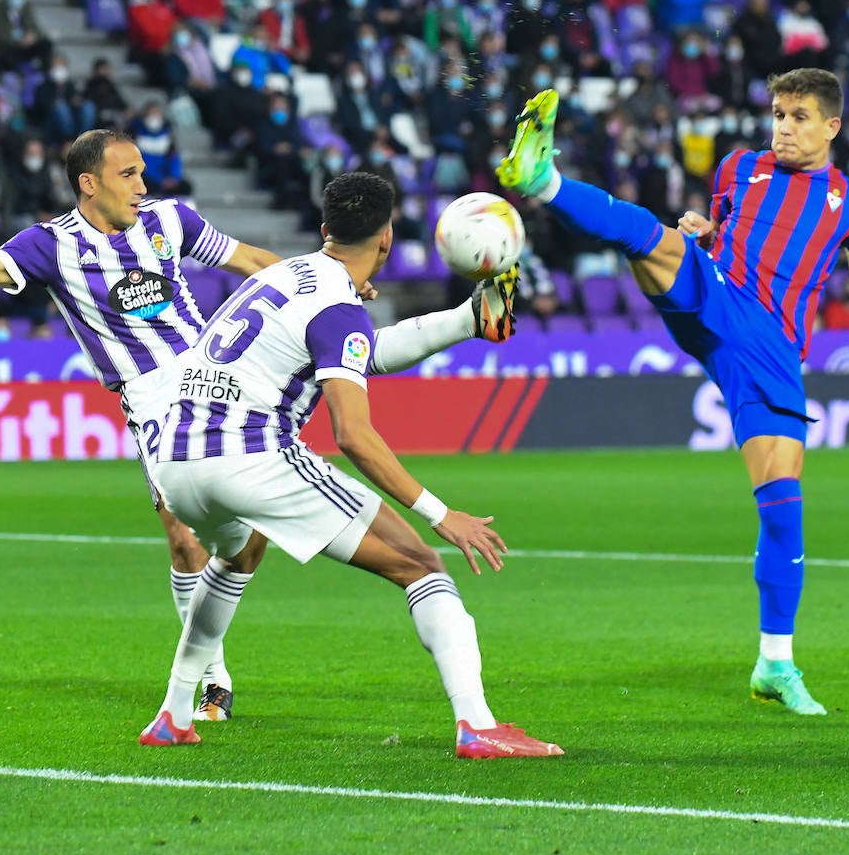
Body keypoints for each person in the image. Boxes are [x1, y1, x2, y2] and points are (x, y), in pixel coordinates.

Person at [0, 129, 521, 726]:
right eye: (127, 174)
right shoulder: (52, 245)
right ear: (89, 183)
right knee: (185, 532)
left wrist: (325, 283)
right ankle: (210, 675)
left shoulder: (169, 221)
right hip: (148, 398)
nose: (142, 184)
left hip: (212, 374)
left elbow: (250, 260)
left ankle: (187, 689)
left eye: (141, 172)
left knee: (250, 525)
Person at [495, 71, 849, 715]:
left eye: (798, 116)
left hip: (769, 348)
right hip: (715, 294)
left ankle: (775, 662)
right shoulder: (739, 167)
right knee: (645, 235)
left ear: (831, 127)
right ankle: (542, 180)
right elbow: (728, 231)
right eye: (778, 114)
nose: (783, 127)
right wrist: (706, 234)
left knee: (782, 506)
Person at [139, 172, 560, 759]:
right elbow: (354, 437)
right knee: (420, 564)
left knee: (239, 555)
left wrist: (467, 320)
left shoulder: (284, 275)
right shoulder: (338, 306)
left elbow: (363, 352)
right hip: (249, 456)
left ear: (324, 230)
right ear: (386, 240)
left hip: (174, 463)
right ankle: (478, 726)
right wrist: (440, 514)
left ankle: (175, 713)